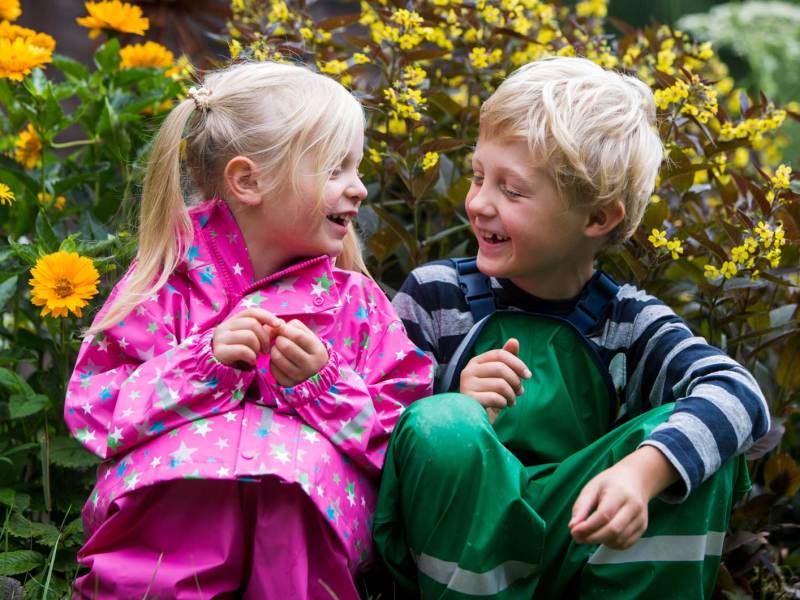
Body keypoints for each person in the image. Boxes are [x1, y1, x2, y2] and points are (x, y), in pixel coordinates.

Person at [373, 56, 769, 599]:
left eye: (511, 191)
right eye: (478, 176)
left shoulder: (627, 323)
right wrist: (454, 398)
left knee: (690, 451)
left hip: (574, 537)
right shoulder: (436, 296)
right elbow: (374, 424)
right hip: (450, 552)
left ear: (597, 218)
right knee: (444, 423)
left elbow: (740, 395)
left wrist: (644, 472)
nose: (479, 203)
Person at [65, 61, 433, 599]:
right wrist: (200, 365)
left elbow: (401, 439)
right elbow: (95, 406)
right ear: (248, 180)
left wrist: (324, 385)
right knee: (191, 475)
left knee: (292, 476)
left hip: (304, 534)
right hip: (161, 531)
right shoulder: (168, 284)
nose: (359, 190)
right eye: (335, 169)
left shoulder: (353, 304)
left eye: (356, 168)